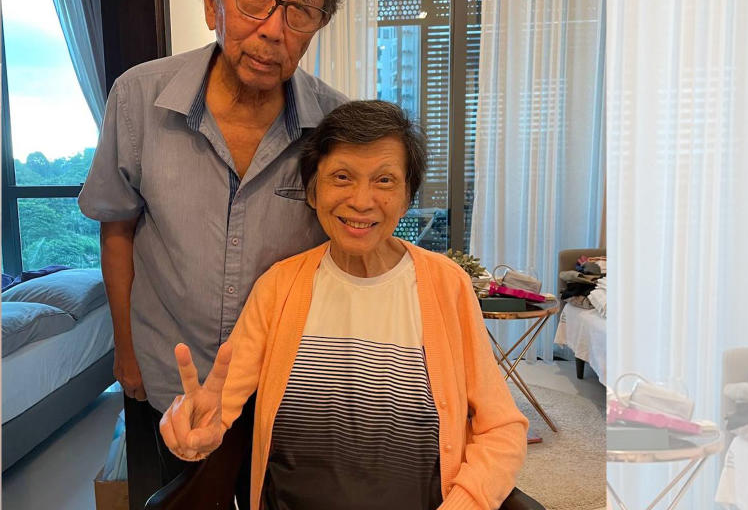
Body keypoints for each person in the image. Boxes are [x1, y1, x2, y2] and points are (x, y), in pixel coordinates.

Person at [77, 0, 351, 508]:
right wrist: (124, 355)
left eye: (301, 9)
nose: (274, 29)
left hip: (288, 384)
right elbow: (117, 228)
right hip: (165, 377)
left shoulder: (336, 124)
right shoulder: (137, 99)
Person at [160, 100, 529, 510]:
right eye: (342, 176)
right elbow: (216, 411)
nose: (361, 200)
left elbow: (502, 428)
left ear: (407, 197)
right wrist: (194, 432)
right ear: (313, 191)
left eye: (384, 180)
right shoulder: (280, 286)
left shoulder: (447, 285)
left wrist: (465, 503)